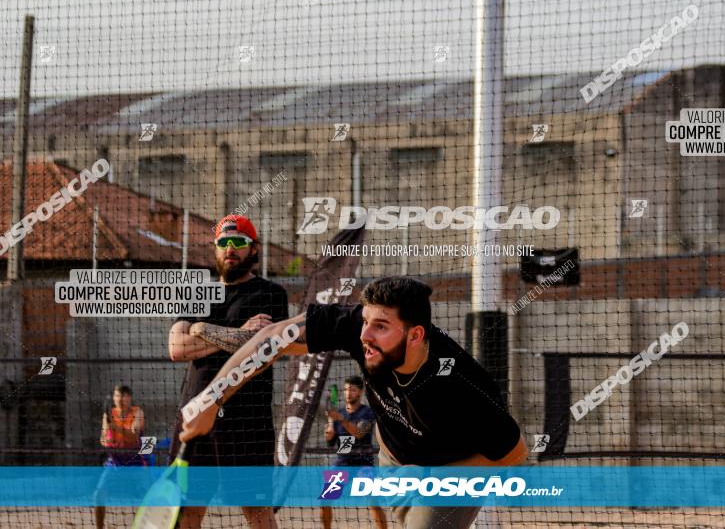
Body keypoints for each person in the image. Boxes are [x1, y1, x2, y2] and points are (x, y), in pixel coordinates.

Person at [181, 276, 527, 529]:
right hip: (394, 456)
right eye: (365, 322)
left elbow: (515, 452)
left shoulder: (459, 386)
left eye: (380, 326)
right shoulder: (358, 329)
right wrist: (211, 398)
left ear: (416, 334)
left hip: (452, 467)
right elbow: (274, 337)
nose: (364, 335)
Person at [168, 214, 288, 529]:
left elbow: (264, 351)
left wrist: (201, 329)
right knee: (187, 511)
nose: (230, 249)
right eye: (223, 242)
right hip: (194, 414)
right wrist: (239, 335)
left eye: (238, 242)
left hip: (246, 420)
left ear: (254, 248)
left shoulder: (271, 294)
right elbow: (176, 349)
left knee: (257, 511)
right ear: (216, 248)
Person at [321, 376, 387, 529]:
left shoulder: (368, 413)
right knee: (325, 501)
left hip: (363, 464)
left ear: (360, 392)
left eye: (352, 390)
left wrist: (340, 419)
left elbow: (359, 433)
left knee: (373, 502)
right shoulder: (338, 414)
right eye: (345, 390)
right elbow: (331, 442)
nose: (348, 393)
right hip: (342, 463)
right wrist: (329, 433)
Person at [94, 385, 145, 529]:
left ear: (130, 398)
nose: (120, 399)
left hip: (135, 460)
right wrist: (107, 441)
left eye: (123, 396)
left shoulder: (138, 412)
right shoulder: (108, 414)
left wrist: (115, 427)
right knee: (98, 494)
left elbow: (134, 436)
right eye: (117, 395)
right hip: (115, 461)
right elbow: (103, 438)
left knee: (146, 497)